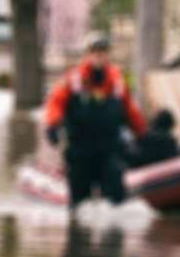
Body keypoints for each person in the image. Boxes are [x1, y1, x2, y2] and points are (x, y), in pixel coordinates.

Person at [44, 34, 146, 211]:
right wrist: (52, 125)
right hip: (80, 149)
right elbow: (55, 103)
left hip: (109, 149)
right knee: (78, 203)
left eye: (103, 52)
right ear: (88, 55)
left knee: (115, 199)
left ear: (108, 55)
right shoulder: (73, 80)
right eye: (95, 52)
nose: (99, 56)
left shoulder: (117, 82)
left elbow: (130, 112)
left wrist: (143, 135)